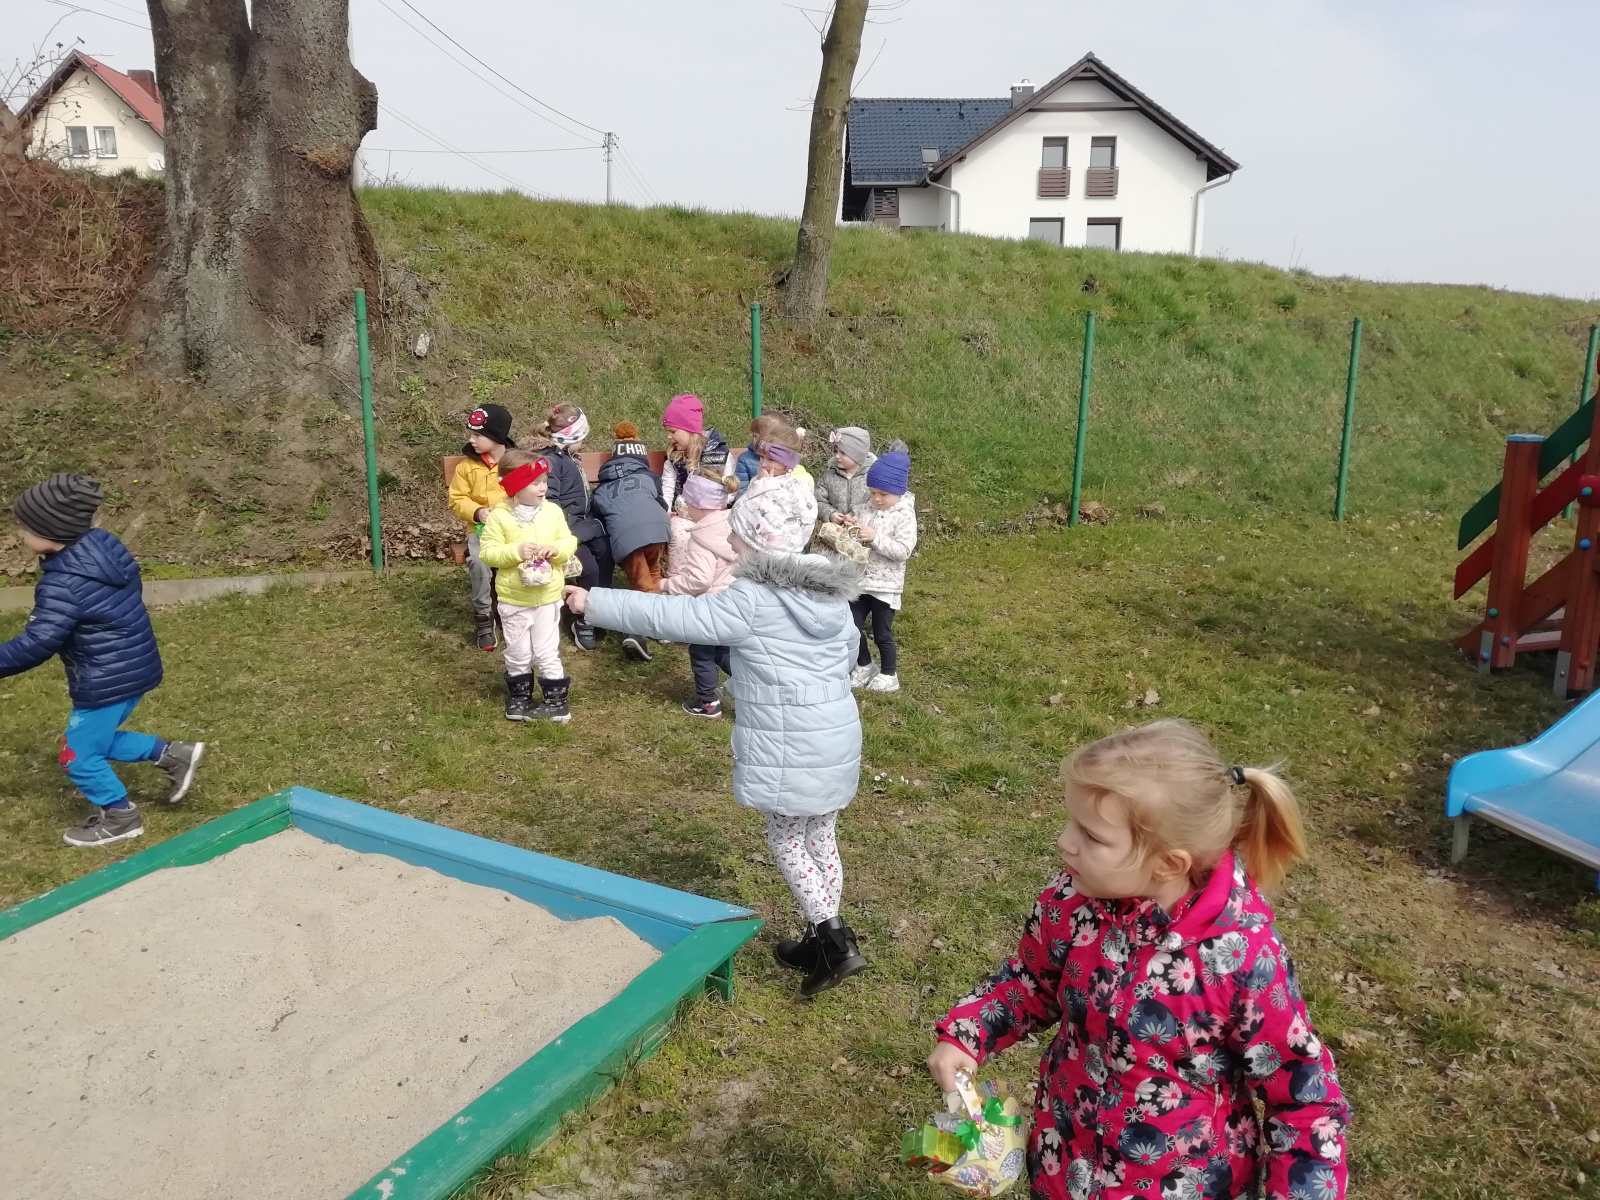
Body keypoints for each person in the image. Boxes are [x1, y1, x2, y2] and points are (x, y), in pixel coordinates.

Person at [928, 721, 1349, 1200]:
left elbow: (1304, 1101)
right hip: (1065, 1164)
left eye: (1091, 836)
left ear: (1168, 864)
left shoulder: (1243, 960)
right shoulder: (1074, 902)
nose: (1065, 841)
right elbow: (1032, 982)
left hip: (1185, 1185)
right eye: (1071, 822)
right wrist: (969, 1032)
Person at [566, 473, 868, 997]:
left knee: (785, 837)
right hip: (835, 730)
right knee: (820, 833)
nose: (727, 539)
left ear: (755, 543)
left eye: (736, 534)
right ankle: (818, 938)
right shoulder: (827, 593)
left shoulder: (752, 598)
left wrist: (594, 603)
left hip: (791, 740)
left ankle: (834, 941)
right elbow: (847, 654)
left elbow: (676, 615)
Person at [0, 473, 204, 847]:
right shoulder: (104, 547)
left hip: (104, 678)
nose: (21, 533)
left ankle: (121, 818)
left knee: (76, 756)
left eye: (27, 527)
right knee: (96, 741)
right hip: (133, 665)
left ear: (52, 531)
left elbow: (37, 643)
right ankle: (173, 754)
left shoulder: (62, 584)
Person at [477, 452, 578, 722]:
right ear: (516, 487)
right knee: (518, 651)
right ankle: (520, 697)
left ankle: (556, 703)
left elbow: (568, 542)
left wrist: (555, 549)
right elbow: (488, 552)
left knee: (546, 650)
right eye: (535, 483)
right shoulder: (499, 517)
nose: (543, 487)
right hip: (514, 599)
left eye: (544, 481)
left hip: (547, 597)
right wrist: (516, 551)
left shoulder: (552, 512)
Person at [660, 471, 738, 719]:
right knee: (724, 651)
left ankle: (708, 703)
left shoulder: (701, 537)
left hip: (709, 607)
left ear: (698, 505)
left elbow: (699, 580)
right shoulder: (734, 523)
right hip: (734, 602)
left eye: (687, 503)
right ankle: (753, 686)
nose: (685, 508)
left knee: (701, 652)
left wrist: (667, 585)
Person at [590, 422, 669, 662]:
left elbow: (599, 517)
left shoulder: (602, 489)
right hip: (658, 529)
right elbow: (662, 502)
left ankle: (641, 630)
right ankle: (661, 625)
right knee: (653, 573)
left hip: (626, 539)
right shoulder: (649, 477)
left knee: (641, 583)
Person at [539, 403, 609, 652]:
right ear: (571, 437)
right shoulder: (551, 460)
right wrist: (562, 536)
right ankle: (582, 619)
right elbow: (550, 501)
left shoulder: (567, 457)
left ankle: (598, 607)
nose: (583, 443)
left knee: (606, 552)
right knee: (589, 567)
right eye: (582, 438)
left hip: (581, 524)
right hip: (563, 531)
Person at [847, 447, 917, 695]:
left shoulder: (904, 516)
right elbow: (855, 534)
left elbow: (903, 551)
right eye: (873, 492)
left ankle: (889, 674)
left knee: (881, 633)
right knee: (851, 626)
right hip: (860, 581)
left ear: (898, 491)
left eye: (883, 494)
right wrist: (849, 525)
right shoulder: (865, 508)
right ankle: (864, 664)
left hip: (885, 586)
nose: (877, 499)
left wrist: (875, 538)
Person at [448, 403, 516, 652]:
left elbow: (531, 492)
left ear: (496, 437)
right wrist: (477, 512)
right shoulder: (466, 467)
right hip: (481, 531)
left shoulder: (516, 462)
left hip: (515, 529)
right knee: (478, 561)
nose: (471, 440)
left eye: (477, 435)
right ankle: (484, 617)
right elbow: (457, 500)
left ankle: (516, 612)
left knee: (523, 556)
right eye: (471, 434)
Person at [660, 393, 732, 512]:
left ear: (690, 430)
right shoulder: (673, 459)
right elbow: (667, 492)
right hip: (683, 513)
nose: (668, 436)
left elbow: (731, 490)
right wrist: (665, 514)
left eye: (673, 431)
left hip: (714, 513)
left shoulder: (719, 453)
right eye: (667, 432)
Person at [815, 426, 875, 524]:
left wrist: (857, 514)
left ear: (857, 455)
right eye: (835, 451)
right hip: (836, 530)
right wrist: (830, 514)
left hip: (863, 528)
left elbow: (877, 503)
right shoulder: (829, 476)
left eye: (843, 453)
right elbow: (818, 501)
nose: (837, 456)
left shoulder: (872, 477)